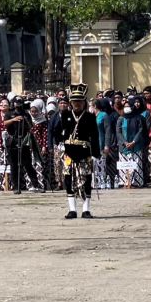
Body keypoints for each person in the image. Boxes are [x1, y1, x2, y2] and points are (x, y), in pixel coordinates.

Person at [53, 84, 99, 219]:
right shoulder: (65, 115)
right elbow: (57, 131)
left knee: (86, 180)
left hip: (84, 153)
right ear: (71, 102)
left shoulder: (90, 117)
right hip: (69, 153)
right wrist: (60, 143)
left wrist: (96, 153)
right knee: (68, 180)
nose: (76, 104)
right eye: (74, 101)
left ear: (83, 102)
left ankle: (86, 209)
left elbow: (95, 136)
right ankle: (72, 209)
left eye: (79, 101)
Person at [4, 97, 40, 193]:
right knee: (14, 165)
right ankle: (16, 186)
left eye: (20, 103)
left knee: (28, 164)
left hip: (24, 141)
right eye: (16, 103)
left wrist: (25, 120)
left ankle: (36, 184)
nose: (18, 105)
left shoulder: (25, 113)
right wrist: (14, 119)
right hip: (13, 140)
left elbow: (30, 126)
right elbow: (4, 124)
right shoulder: (9, 113)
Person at [118, 95, 148, 188]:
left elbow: (140, 130)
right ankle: (125, 183)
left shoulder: (138, 118)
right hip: (124, 147)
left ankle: (136, 183)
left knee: (136, 165)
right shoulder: (121, 118)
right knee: (124, 166)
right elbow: (118, 132)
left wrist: (134, 141)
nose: (127, 108)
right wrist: (125, 142)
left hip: (136, 146)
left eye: (128, 106)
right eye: (125, 106)